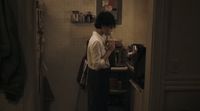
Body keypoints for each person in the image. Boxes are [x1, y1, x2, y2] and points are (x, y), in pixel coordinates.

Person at [87, 11, 116, 111]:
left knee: (101, 104)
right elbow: (97, 65)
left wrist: (106, 44)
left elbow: (100, 57)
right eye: (110, 27)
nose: (111, 30)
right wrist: (110, 51)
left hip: (100, 76)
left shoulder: (100, 38)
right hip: (97, 77)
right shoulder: (96, 41)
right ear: (103, 26)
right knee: (97, 106)